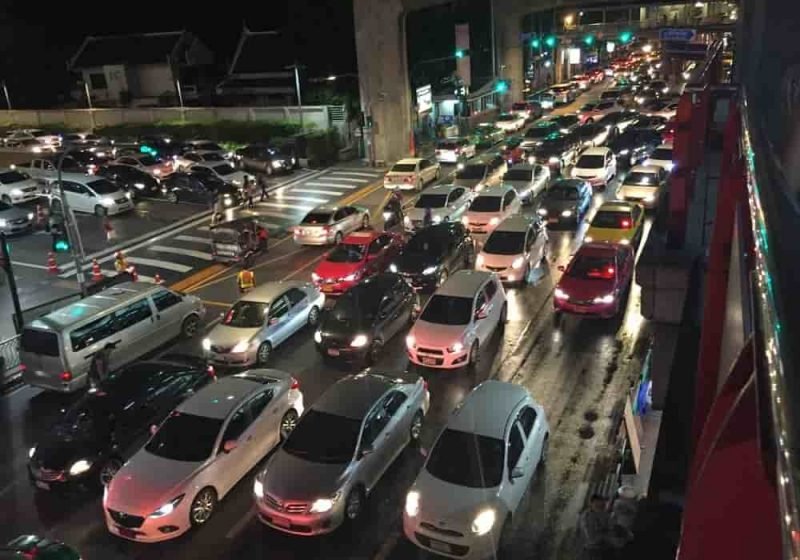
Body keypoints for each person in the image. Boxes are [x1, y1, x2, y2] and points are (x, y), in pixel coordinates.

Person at [579, 494, 614, 560]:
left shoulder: (605, 514)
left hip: (604, 549)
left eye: (601, 505)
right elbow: (591, 538)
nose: (600, 506)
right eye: (597, 504)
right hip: (592, 550)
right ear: (591, 504)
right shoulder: (588, 516)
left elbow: (611, 528)